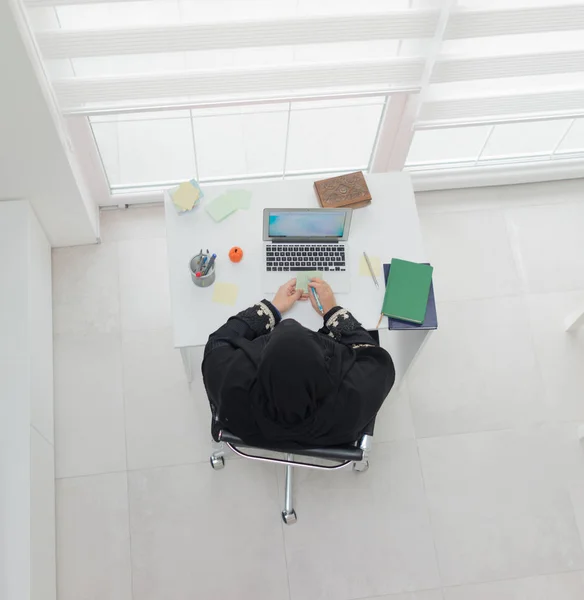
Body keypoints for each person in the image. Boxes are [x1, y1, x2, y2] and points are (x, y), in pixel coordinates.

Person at [202, 277, 395, 447]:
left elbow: (218, 342)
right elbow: (373, 356)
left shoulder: (231, 386)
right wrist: (332, 311)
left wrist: (272, 309)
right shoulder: (354, 398)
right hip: (331, 438)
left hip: (256, 434)